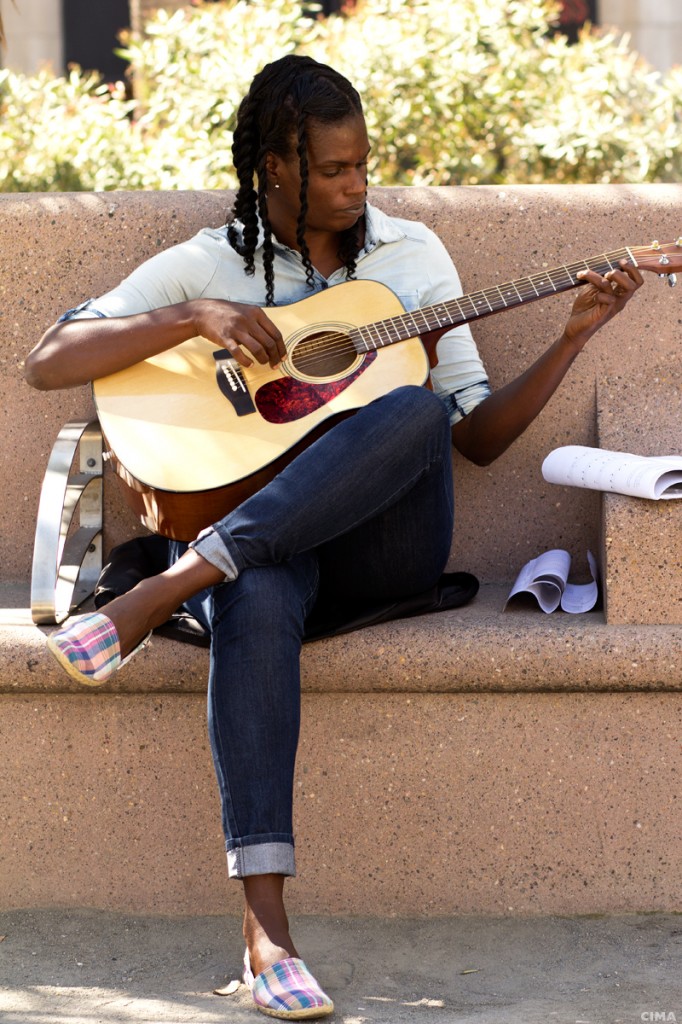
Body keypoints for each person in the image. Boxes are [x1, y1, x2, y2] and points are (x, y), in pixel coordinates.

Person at [25, 55, 642, 1021]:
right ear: (277, 167)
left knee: (408, 411)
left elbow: (474, 439)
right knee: (256, 590)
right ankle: (267, 936)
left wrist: (571, 338)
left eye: (365, 166)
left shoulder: (411, 257)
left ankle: (165, 587)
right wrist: (192, 316)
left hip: (387, 549)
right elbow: (48, 361)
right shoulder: (212, 261)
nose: (360, 187)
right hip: (274, 552)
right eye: (337, 170)